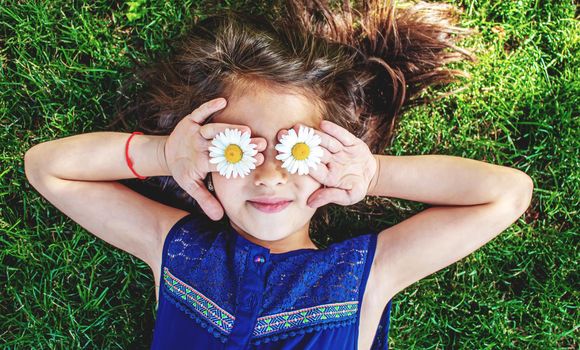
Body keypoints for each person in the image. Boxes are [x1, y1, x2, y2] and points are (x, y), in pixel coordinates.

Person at [23, 0, 534, 349]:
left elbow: (506, 194)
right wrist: (164, 156)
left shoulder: (366, 274)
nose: (268, 175)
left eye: (297, 149)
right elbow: (47, 168)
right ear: (206, 162)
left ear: (331, 156)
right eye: (237, 149)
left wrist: (371, 172)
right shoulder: (175, 247)